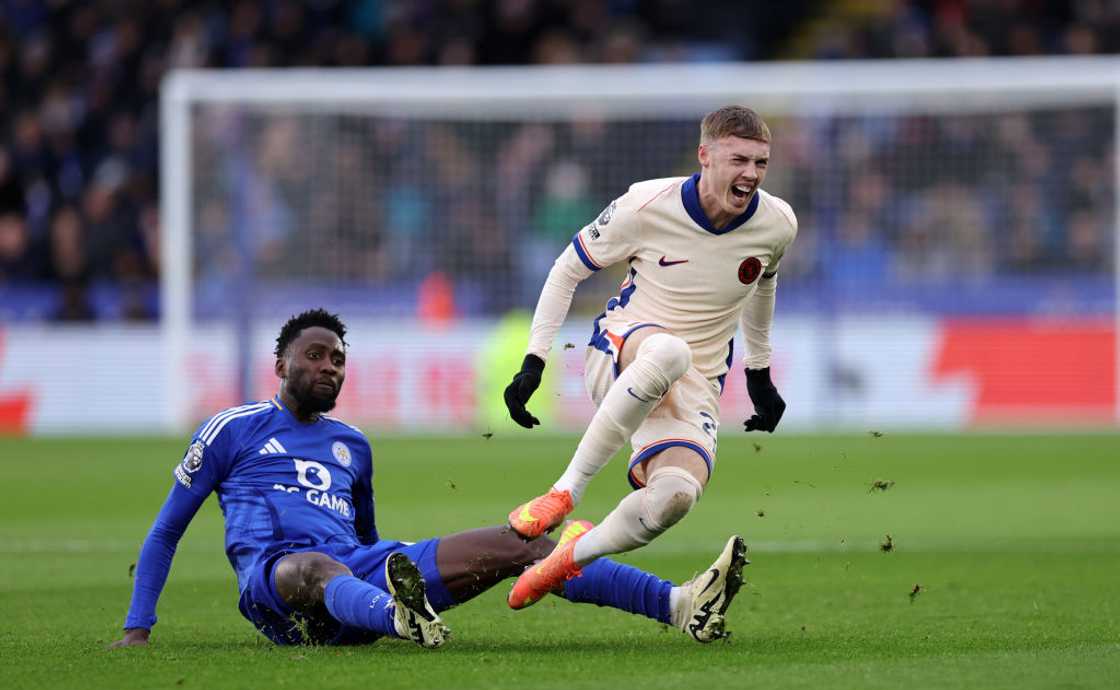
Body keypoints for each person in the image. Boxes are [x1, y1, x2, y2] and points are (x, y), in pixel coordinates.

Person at [111, 309, 749, 649]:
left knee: (528, 542)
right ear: (280, 363)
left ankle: (679, 605)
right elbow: (168, 529)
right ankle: (397, 618)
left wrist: (392, 573)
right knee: (309, 566)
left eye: (338, 359)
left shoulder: (351, 446)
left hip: (363, 576)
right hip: (278, 588)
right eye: (315, 356)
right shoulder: (232, 429)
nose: (330, 367)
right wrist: (138, 628)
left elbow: (365, 538)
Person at [503, 106, 795, 609]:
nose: (751, 173)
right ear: (704, 156)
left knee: (674, 498)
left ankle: (569, 557)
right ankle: (565, 491)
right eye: (739, 159)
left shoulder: (777, 223)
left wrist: (759, 372)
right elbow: (566, 269)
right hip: (621, 350)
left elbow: (762, 283)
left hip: (696, 381)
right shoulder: (646, 203)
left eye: (761, 163)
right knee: (668, 350)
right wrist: (534, 360)